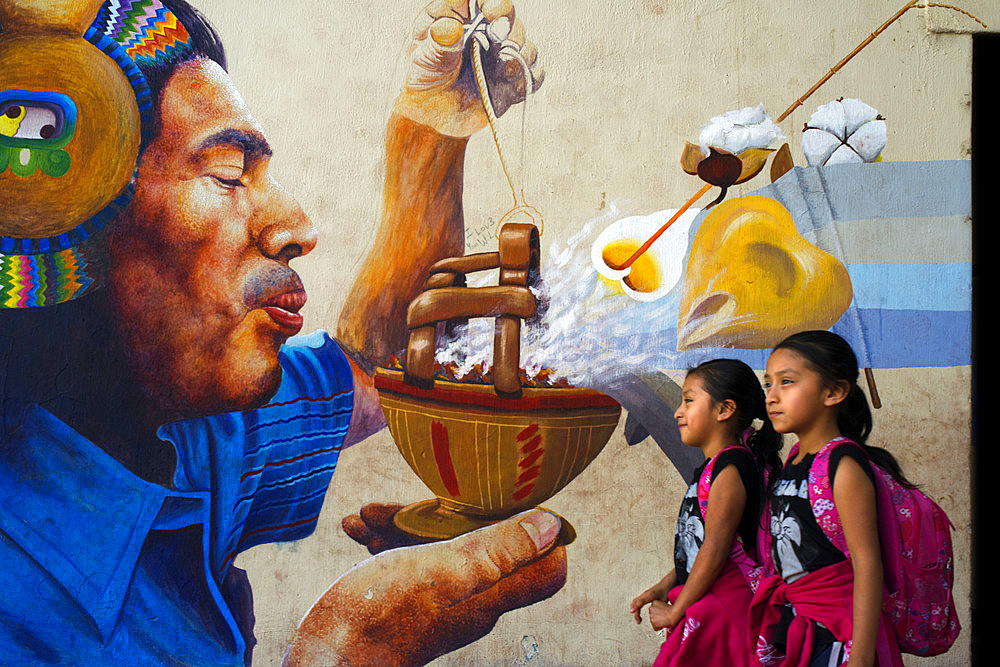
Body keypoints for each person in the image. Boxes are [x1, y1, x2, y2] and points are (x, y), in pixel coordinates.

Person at [0, 0, 564, 664]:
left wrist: (430, 133)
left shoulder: (177, 432)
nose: (298, 226)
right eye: (228, 174)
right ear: (66, 223)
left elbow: (377, 366)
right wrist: (350, 649)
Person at [750, 330, 909, 667]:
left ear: (834, 392)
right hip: (802, 625)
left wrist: (862, 658)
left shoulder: (843, 465)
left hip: (841, 636)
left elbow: (867, 563)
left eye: (787, 382)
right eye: (768, 384)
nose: (772, 397)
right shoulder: (794, 460)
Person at [630, 358, 782, 667]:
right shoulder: (712, 469)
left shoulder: (732, 467)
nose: (678, 412)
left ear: (724, 410)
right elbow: (699, 546)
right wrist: (663, 586)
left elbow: (714, 550)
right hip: (707, 600)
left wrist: (676, 610)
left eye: (688, 400)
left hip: (725, 607)